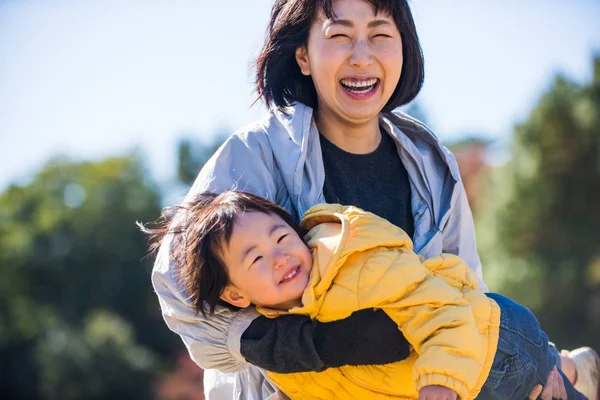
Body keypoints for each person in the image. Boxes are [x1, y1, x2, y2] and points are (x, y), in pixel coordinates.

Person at [150, 0, 599, 399]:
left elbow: (465, 289)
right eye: (339, 35)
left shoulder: (431, 163)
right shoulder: (255, 154)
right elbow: (180, 290)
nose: (361, 56)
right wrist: (304, 345)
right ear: (303, 55)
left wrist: (524, 375)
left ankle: (563, 367)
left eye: (381, 35)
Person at [143, 190, 588, 400]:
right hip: (460, 380)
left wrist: (438, 386)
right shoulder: (278, 350)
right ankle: (573, 366)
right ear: (236, 296)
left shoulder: (354, 262)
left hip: (492, 346)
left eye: (281, 236)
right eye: (256, 259)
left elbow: (440, 310)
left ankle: (564, 366)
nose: (279, 256)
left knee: (547, 385)